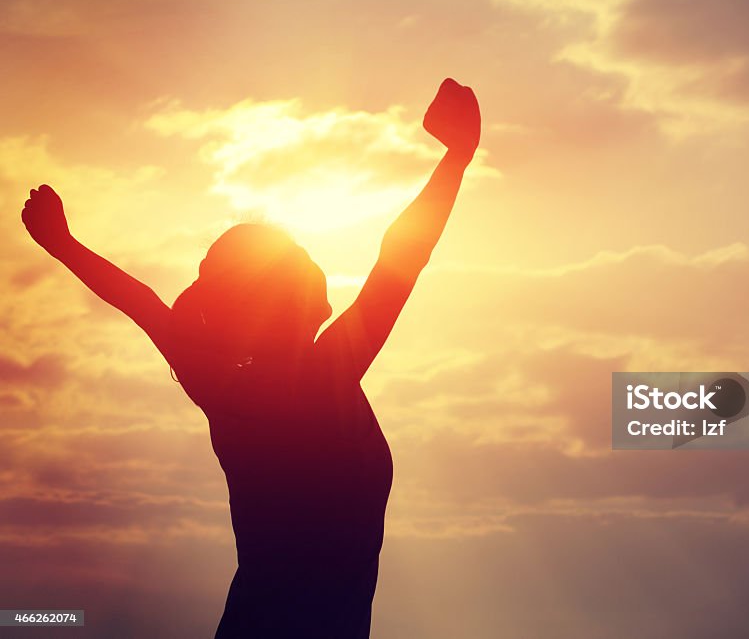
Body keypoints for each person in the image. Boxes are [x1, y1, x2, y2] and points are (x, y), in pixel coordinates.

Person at [21, 78, 481, 637]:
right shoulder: (323, 377)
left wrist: (63, 243)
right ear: (300, 295)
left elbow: (141, 302)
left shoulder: (221, 386)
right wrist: (456, 157)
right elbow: (400, 259)